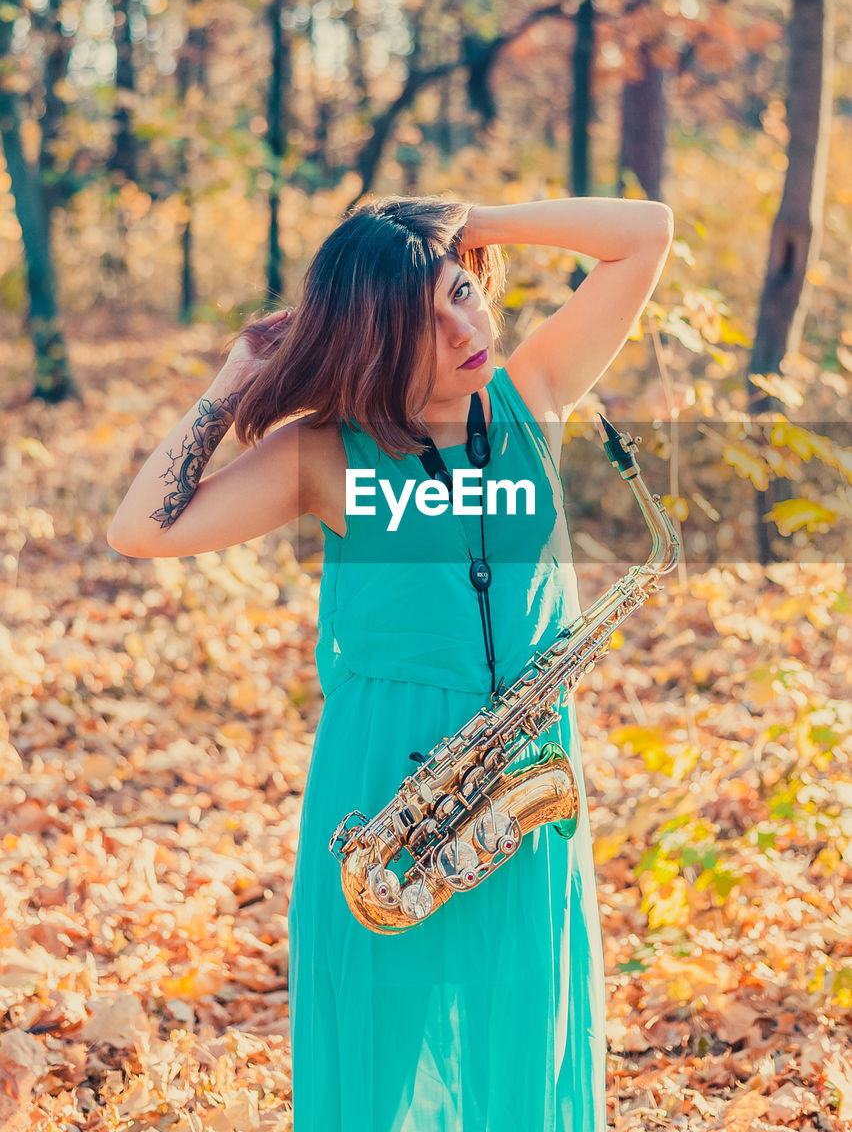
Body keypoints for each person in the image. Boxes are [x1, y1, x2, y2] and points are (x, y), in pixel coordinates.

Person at [107, 191, 674, 1131]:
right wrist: (228, 387)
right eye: (425, 320)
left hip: (523, 766)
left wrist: (463, 229)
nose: (466, 328)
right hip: (382, 775)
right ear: (372, 340)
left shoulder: (529, 399)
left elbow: (644, 233)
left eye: (466, 295)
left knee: (521, 1026)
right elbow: (140, 530)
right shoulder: (326, 455)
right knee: (378, 1037)